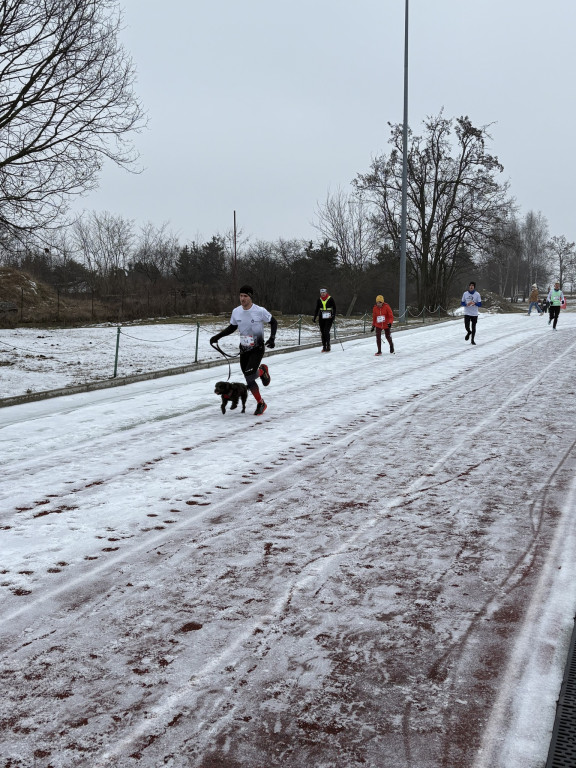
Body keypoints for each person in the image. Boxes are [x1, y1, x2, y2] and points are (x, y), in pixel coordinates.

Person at [210, 285, 277, 415]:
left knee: (249, 374)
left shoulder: (259, 311)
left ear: (250, 297)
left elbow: (274, 322)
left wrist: (272, 338)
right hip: (244, 349)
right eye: (241, 296)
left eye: (245, 296)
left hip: (257, 348)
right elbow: (232, 327)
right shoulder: (236, 311)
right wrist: (217, 336)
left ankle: (261, 401)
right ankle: (262, 374)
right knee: (249, 379)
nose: (242, 298)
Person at [313, 287, 336, 352]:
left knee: (326, 331)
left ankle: (328, 345)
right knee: (322, 332)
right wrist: (314, 317)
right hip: (321, 317)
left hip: (329, 317)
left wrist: (333, 315)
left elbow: (334, 308)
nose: (323, 294)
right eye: (321, 293)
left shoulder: (330, 299)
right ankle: (324, 346)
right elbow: (317, 309)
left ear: (326, 293)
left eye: (324, 292)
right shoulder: (319, 299)